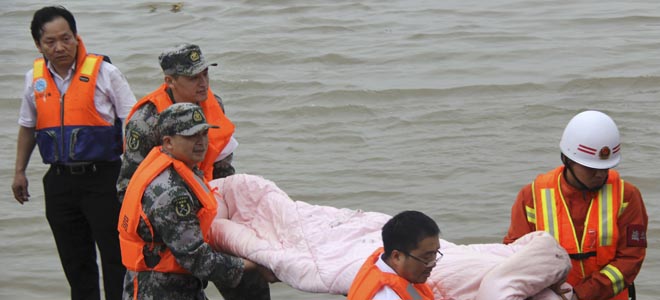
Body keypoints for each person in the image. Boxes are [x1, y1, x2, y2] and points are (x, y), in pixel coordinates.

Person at [10, 6, 136, 300]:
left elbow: (135, 123)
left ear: (77, 37)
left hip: (104, 179)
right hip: (59, 183)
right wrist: (19, 172)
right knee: (76, 267)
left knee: (117, 262)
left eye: (66, 39)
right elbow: (28, 127)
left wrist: (135, 176)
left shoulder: (105, 73)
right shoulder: (34, 78)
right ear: (38, 45)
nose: (59, 47)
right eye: (50, 42)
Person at [117, 103, 275, 299]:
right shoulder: (171, 193)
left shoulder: (179, 169)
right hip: (159, 290)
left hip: (179, 285)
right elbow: (197, 259)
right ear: (168, 142)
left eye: (203, 134)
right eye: (191, 136)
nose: (201, 142)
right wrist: (255, 265)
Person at [504, 110, 648, 300]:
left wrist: (581, 295)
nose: (600, 175)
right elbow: (515, 256)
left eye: (606, 168)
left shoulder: (627, 196)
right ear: (568, 160)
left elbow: (631, 259)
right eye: (591, 168)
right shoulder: (531, 196)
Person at [117, 43, 237, 203]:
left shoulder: (215, 104)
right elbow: (128, 185)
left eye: (205, 74)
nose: (203, 83)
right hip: (166, 205)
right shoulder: (146, 121)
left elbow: (223, 165)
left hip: (208, 193)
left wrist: (229, 200)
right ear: (170, 81)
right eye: (193, 78)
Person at [348, 210, 440, 300]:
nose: (433, 263)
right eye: (426, 257)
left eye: (435, 253)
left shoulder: (381, 261)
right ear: (397, 257)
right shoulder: (386, 296)